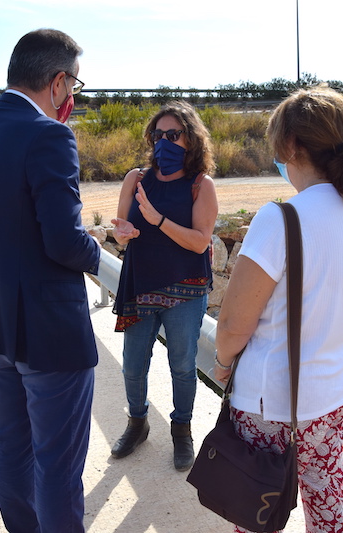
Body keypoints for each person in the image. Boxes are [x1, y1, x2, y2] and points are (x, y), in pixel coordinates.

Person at [0, 29, 100, 533]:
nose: (73, 94)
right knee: (57, 464)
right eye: (74, 83)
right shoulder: (50, 136)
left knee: (12, 443)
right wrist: (99, 252)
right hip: (47, 330)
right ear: (58, 82)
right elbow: (64, 242)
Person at [214, 86, 343, 532]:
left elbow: (232, 324)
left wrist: (224, 363)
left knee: (256, 507)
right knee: (326, 496)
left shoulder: (280, 219)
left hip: (273, 402)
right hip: (335, 393)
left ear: (291, 145)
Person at [110, 100, 218, 471]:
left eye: (173, 135)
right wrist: (123, 233)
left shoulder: (200, 185)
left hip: (185, 288)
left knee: (183, 366)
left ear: (190, 139)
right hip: (140, 284)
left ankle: (182, 431)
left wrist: (157, 220)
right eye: (158, 135)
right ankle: (137, 423)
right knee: (132, 364)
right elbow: (120, 231)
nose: (164, 142)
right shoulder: (136, 179)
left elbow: (200, 242)